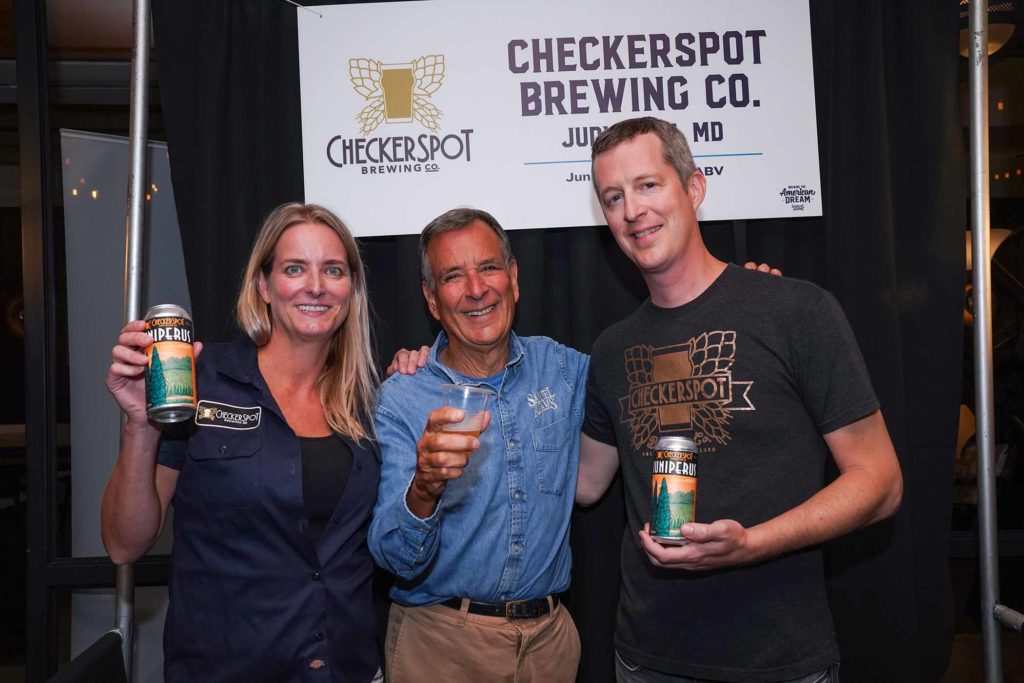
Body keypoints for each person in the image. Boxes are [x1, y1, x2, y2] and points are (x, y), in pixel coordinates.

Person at [576, 117, 904, 683]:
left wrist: (751, 544)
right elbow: (584, 484)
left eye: (648, 185)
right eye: (614, 196)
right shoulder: (611, 350)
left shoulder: (796, 312)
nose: (632, 210)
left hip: (779, 659)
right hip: (647, 660)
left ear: (694, 187)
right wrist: (459, 370)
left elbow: (881, 482)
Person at [101, 203, 383, 683]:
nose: (315, 285)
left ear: (350, 289)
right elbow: (124, 545)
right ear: (264, 286)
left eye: (332, 270)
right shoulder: (198, 379)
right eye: (295, 268)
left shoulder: (373, 399)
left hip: (345, 667)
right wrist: (139, 425)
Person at [368, 208, 588, 682]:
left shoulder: (565, 370)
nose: (476, 289)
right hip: (441, 647)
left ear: (513, 276)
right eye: (453, 276)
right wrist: (424, 487)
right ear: (431, 299)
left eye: (488, 267)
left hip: (550, 647)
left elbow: (650, 365)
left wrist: (736, 299)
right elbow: (393, 559)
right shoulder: (404, 397)